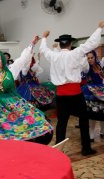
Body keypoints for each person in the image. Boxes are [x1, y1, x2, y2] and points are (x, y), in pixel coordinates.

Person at [39, 20, 104, 156]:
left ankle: (58, 152)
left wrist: (44, 37)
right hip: (75, 94)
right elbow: (90, 43)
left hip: (61, 95)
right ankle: (86, 148)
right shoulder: (75, 53)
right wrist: (99, 28)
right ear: (70, 44)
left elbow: (44, 50)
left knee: (62, 123)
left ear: (61, 44)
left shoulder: (53, 56)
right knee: (83, 120)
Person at [81, 50, 104, 141]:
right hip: (90, 92)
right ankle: (91, 135)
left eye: (92, 58)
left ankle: (102, 132)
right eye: (88, 58)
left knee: (102, 112)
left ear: (95, 57)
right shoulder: (86, 68)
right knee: (92, 114)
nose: (90, 60)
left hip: (101, 92)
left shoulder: (99, 66)